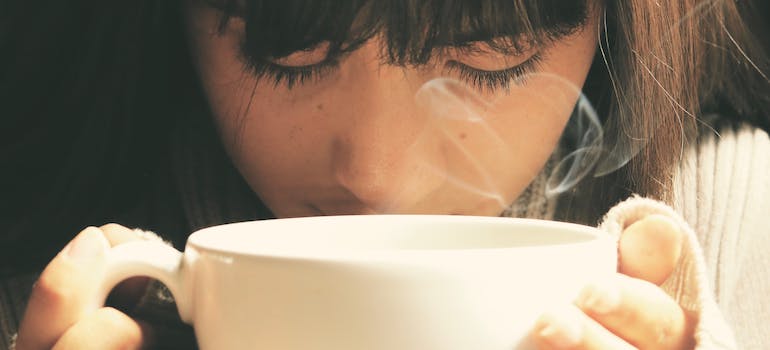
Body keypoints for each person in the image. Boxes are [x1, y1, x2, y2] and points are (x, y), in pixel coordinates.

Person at [1, 0, 768, 349]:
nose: (373, 175)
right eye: (288, 51)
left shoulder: (737, 231)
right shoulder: (51, 275)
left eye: (488, 52)